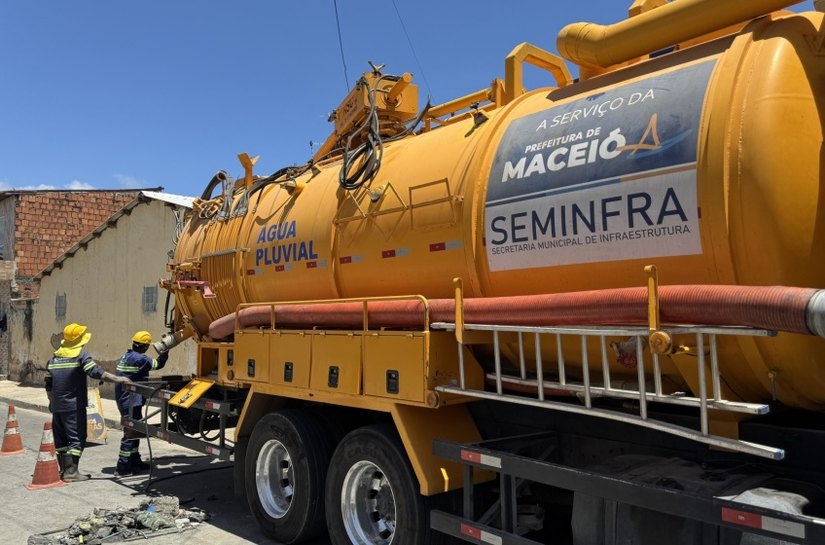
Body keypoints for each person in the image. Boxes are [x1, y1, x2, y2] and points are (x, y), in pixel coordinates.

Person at [45, 323, 132, 482]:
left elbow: (49, 386)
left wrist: (52, 403)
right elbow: (96, 372)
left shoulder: (53, 359)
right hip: (73, 406)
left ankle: (64, 470)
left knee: (61, 439)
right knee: (77, 437)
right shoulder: (81, 356)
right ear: (80, 341)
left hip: (57, 406)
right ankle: (71, 472)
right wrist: (118, 378)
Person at [114, 330, 168, 476]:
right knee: (130, 432)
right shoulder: (141, 359)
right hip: (131, 400)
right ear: (145, 347)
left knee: (135, 431)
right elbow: (158, 364)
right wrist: (166, 351)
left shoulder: (126, 356)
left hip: (124, 398)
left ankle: (134, 461)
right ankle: (123, 467)